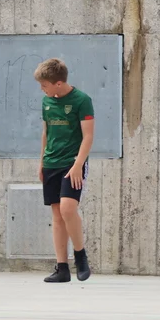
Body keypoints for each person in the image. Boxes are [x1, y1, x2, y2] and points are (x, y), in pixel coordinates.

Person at [35, 58, 94, 283]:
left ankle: (80, 256)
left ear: (58, 83)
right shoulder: (46, 102)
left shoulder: (82, 100)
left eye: (44, 85)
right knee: (57, 215)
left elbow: (88, 136)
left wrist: (78, 165)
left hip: (72, 163)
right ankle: (62, 268)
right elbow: (46, 133)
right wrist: (41, 162)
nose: (42, 89)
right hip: (51, 163)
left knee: (68, 209)